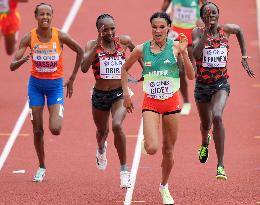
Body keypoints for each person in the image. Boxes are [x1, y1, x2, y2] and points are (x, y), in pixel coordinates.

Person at [121, 12, 195, 205]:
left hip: (171, 103)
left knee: (168, 151)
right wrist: (126, 94)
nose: (158, 30)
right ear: (151, 28)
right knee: (153, 148)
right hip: (151, 103)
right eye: (154, 27)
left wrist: (185, 53)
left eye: (162, 27)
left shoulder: (176, 47)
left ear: (169, 28)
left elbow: (191, 76)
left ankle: (164, 187)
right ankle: (146, 142)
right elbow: (124, 69)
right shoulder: (141, 49)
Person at [10, 3, 83, 182]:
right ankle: (42, 166)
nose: (45, 17)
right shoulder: (29, 38)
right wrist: (22, 60)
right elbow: (12, 65)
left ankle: (57, 111)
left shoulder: (60, 35)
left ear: (52, 16)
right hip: (35, 86)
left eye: (48, 14)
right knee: (37, 131)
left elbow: (80, 51)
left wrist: (72, 78)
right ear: (36, 16)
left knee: (55, 129)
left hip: (55, 86)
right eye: (41, 14)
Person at [192, 2, 255, 180]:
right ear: (202, 17)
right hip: (202, 87)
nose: (211, 17)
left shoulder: (226, 30)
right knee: (206, 125)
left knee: (217, 116)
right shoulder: (197, 32)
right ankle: (205, 142)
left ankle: (220, 165)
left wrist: (243, 56)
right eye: (207, 15)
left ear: (218, 15)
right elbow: (196, 54)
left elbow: (240, 30)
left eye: (214, 15)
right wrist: (206, 31)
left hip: (221, 84)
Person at [81, 14, 140, 189]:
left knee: (117, 125)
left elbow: (139, 53)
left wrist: (147, 73)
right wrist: (97, 44)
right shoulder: (92, 45)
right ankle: (101, 150)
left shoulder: (124, 41)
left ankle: (124, 171)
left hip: (119, 93)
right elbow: (84, 68)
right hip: (99, 94)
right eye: (104, 29)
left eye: (112, 28)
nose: (109, 32)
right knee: (102, 132)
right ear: (98, 30)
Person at [161, 0, 207, 115]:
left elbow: (207, 8)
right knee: (180, 71)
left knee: (196, 70)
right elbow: (163, 11)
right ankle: (186, 102)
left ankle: (205, 97)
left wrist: (203, 22)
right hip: (177, 34)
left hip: (193, 33)